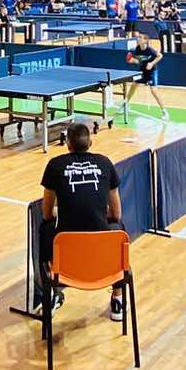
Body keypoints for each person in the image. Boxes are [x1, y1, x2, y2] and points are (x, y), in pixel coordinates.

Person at [38, 122, 126, 319]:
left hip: (67, 259)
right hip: (101, 258)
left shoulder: (55, 165)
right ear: (90, 143)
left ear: (67, 144)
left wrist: (62, 215)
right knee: (118, 229)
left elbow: (46, 214)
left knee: (45, 228)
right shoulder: (105, 163)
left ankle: (50, 295)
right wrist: (97, 215)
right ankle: (118, 299)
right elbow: (116, 214)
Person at [125, 31, 168, 120]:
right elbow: (140, 60)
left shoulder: (150, 50)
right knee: (134, 85)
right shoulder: (137, 49)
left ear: (145, 40)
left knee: (154, 91)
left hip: (152, 71)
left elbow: (160, 56)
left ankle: (164, 111)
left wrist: (151, 63)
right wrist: (133, 61)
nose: (138, 39)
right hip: (143, 70)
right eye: (138, 37)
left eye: (140, 38)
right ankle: (126, 104)